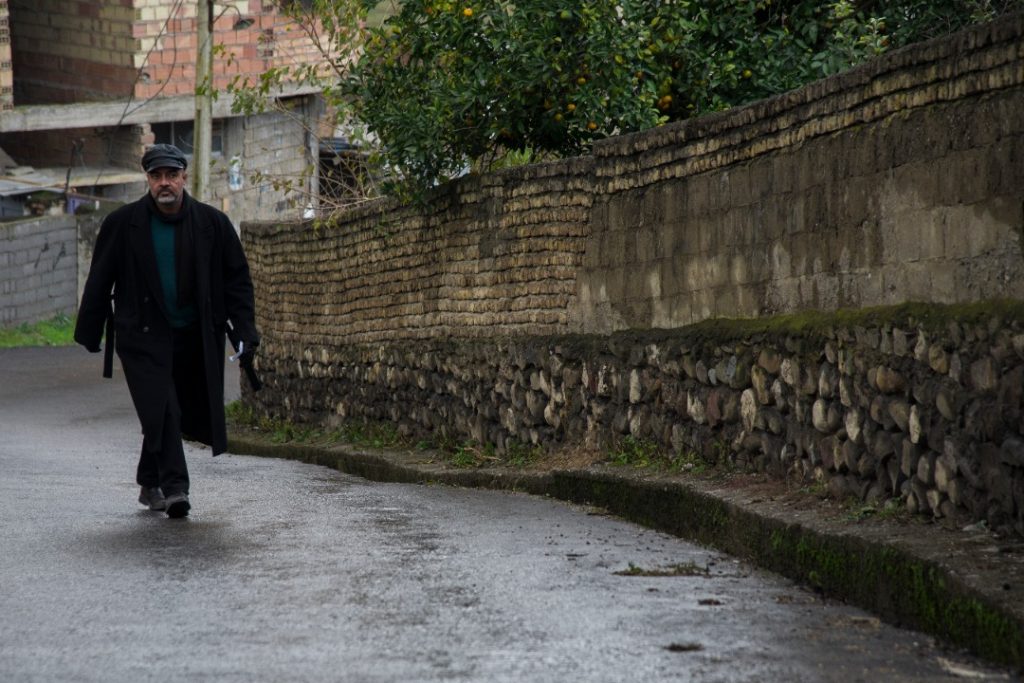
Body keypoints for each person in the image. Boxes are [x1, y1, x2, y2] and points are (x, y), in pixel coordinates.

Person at [75, 143, 259, 519]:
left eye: (171, 175)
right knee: (166, 408)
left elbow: (237, 282)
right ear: (147, 179)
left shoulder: (212, 224)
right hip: (141, 337)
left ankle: (148, 479)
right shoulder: (123, 224)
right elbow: (99, 279)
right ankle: (176, 488)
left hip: (193, 337)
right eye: (156, 176)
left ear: (183, 177)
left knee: (171, 410)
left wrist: (245, 331)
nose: (164, 183)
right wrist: (90, 331)